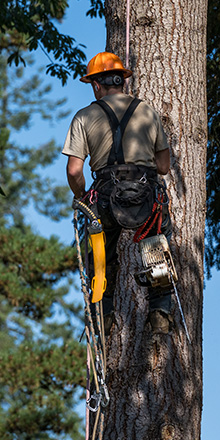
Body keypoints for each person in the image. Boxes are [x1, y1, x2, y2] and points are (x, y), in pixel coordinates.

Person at [64, 51, 174, 332]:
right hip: (146, 196)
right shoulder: (147, 112)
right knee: (155, 245)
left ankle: (104, 314)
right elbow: (162, 166)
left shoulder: (84, 116)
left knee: (101, 255)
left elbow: (75, 171)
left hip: (105, 197)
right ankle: (160, 309)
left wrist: (81, 198)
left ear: (96, 85)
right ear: (122, 81)